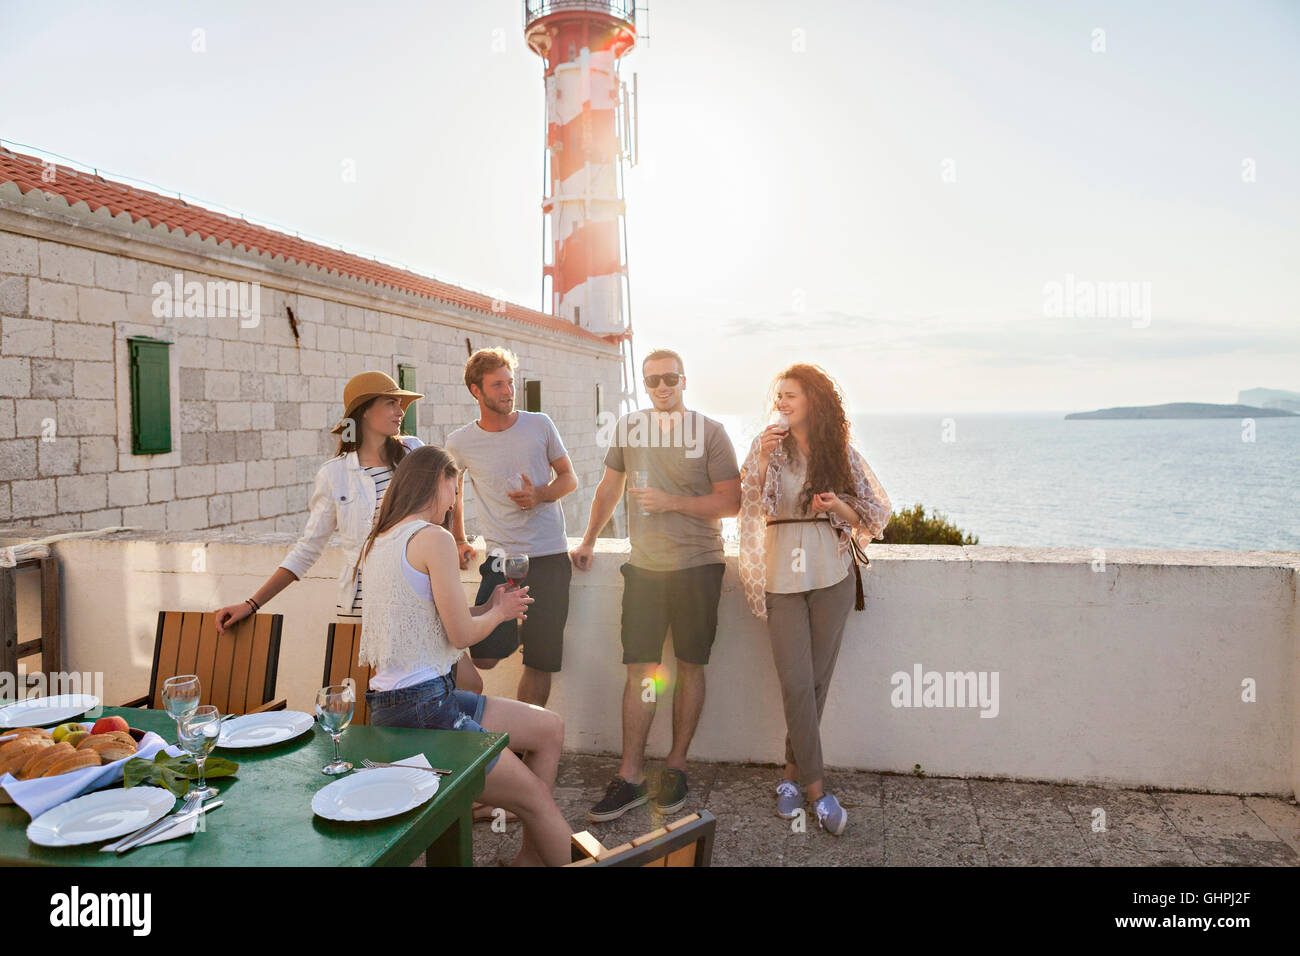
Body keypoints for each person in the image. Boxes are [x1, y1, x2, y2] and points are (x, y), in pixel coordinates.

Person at [356, 444, 572, 866]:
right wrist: (500, 613)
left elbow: (433, 617)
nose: (455, 504)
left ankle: (529, 858)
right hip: (422, 708)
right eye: (454, 491)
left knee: (549, 729)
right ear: (439, 482)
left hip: (404, 701)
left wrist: (491, 608)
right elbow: (459, 634)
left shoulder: (381, 539)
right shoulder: (432, 538)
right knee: (536, 799)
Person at [211, 370, 482, 693]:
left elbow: (448, 489)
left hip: (417, 600)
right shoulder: (335, 475)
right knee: (377, 707)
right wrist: (252, 604)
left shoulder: (413, 451)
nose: (401, 412)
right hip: (362, 608)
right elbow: (307, 549)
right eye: (391, 403)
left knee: (468, 684)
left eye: (401, 404)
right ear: (365, 411)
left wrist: (457, 539)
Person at [570, 348, 741, 822]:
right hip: (644, 568)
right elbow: (609, 488)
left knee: (689, 665)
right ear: (644, 385)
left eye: (669, 378)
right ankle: (630, 775)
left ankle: (676, 766)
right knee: (640, 670)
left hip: (698, 566)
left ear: (684, 379)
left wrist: (671, 502)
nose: (662, 387)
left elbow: (731, 503)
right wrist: (587, 540)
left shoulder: (711, 432)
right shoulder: (630, 428)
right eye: (652, 381)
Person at [737, 363, 891, 835]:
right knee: (797, 684)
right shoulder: (766, 449)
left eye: (791, 396)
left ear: (814, 403)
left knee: (817, 683)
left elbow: (875, 513)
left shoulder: (839, 452)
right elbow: (749, 509)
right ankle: (817, 792)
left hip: (831, 575)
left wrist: (835, 505)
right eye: (778, 396)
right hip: (782, 576)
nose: (780, 403)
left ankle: (788, 777)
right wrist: (761, 463)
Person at [446, 348, 577, 708]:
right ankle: (518, 628)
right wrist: (458, 538)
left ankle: (525, 744)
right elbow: (450, 487)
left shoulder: (540, 424)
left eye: (510, 382)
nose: (508, 391)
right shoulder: (460, 442)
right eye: (498, 385)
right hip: (502, 560)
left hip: (549, 557)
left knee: (539, 662)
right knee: (484, 654)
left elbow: (569, 479)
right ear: (477, 391)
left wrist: (540, 494)